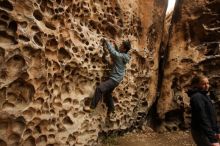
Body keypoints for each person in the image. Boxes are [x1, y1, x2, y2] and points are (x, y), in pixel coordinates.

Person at [88, 38, 131, 113]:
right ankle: (112, 110)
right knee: (108, 93)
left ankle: (92, 107)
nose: (120, 46)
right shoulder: (125, 56)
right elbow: (118, 52)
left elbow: (113, 52)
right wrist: (116, 46)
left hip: (114, 79)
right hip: (117, 79)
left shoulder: (120, 56)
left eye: (121, 45)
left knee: (99, 89)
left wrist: (106, 42)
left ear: (124, 49)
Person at [187, 75, 220, 146]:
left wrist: (217, 131)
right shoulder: (197, 97)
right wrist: (212, 139)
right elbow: (202, 118)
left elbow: (211, 115)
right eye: (203, 84)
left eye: (207, 83)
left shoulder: (205, 95)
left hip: (207, 130)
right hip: (201, 132)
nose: (207, 86)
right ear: (196, 85)